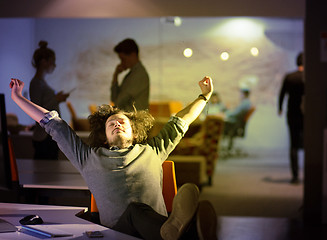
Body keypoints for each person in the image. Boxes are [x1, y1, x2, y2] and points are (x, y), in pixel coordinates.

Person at [9, 76, 217, 240]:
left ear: (135, 133)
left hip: (154, 230)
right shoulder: (88, 157)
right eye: (111, 124)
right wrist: (18, 98)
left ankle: (176, 230)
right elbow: (53, 124)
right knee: (135, 211)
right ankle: (186, 231)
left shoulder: (152, 150)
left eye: (122, 122)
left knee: (145, 215)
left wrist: (204, 96)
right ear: (105, 138)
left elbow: (182, 120)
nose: (117, 124)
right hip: (119, 233)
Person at [29, 40, 70, 160]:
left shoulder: (41, 82)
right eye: (52, 62)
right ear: (43, 62)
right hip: (44, 137)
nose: (54, 65)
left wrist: (56, 99)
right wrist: (56, 99)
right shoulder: (36, 83)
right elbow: (36, 111)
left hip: (48, 135)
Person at [278, 52, 304, 184]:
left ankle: (295, 176)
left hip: (292, 115)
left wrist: (280, 108)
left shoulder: (290, 77)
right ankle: (311, 172)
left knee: (293, 144)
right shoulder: (308, 77)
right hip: (307, 116)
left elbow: (282, 94)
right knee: (309, 145)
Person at [111, 38, 150, 112]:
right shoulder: (132, 74)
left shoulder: (139, 75)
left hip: (135, 121)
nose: (122, 62)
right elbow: (114, 99)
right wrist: (116, 75)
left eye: (123, 59)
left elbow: (118, 102)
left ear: (133, 55)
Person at [223, 88, 252, 153]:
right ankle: (229, 148)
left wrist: (225, 114)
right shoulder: (247, 102)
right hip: (237, 122)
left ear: (244, 95)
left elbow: (236, 113)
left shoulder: (245, 103)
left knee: (221, 125)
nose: (240, 96)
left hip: (235, 124)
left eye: (241, 94)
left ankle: (226, 148)